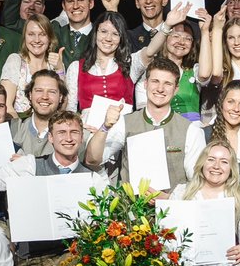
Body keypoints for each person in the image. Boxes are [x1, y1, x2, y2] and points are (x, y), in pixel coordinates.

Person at [11, 110, 96, 266]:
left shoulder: (94, 179)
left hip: (74, 262)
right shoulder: (29, 166)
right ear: (50, 137)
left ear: (82, 138)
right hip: (36, 261)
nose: (68, 138)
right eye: (61, 132)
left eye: (74, 132)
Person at [85, 56, 206, 191]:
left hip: (172, 203)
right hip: (130, 203)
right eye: (155, 81)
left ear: (176, 89)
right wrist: (105, 126)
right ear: (145, 84)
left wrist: (170, 198)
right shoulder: (125, 122)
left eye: (167, 84)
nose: (160, 88)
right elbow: (92, 159)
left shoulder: (191, 130)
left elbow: (197, 182)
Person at [66, 11, 134, 113]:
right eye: (103, 31)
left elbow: (150, 51)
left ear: (121, 38)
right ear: (95, 33)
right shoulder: (76, 67)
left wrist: (164, 27)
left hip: (122, 122)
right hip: (88, 123)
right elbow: (70, 110)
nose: (108, 38)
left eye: (115, 34)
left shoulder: (130, 64)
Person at [0, 13, 65, 116]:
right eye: (31, 34)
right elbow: (7, 106)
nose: (37, 40)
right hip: (19, 122)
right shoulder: (15, 61)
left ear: (50, 38)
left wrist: (60, 70)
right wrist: (22, 126)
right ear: (25, 37)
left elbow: (62, 108)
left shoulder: (55, 65)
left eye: (42, 34)